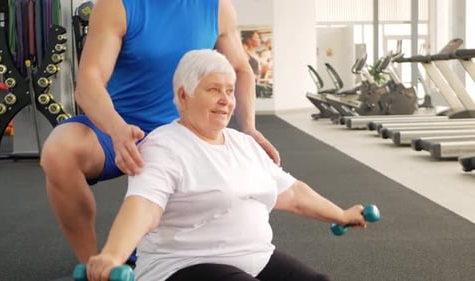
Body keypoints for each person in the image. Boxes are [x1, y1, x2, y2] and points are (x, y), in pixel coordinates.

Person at [85, 49, 368, 281]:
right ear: (183, 96)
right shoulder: (164, 146)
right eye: (214, 90)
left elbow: (293, 194)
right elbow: (145, 207)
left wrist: (340, 215)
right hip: (184, 265)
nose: (225, 100)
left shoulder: (243, 144)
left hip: (254, 258)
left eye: (230, 91)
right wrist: (113, 255)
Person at [39, 0, 280, 264]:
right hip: (119, 122)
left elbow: (241, 69)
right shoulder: (116, 5)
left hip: (184, 130)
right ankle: (93, 267)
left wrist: (250, 128)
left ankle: (154, 251)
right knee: (59, 153)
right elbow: (88, 82)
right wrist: (117, 129)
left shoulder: (217, 7)